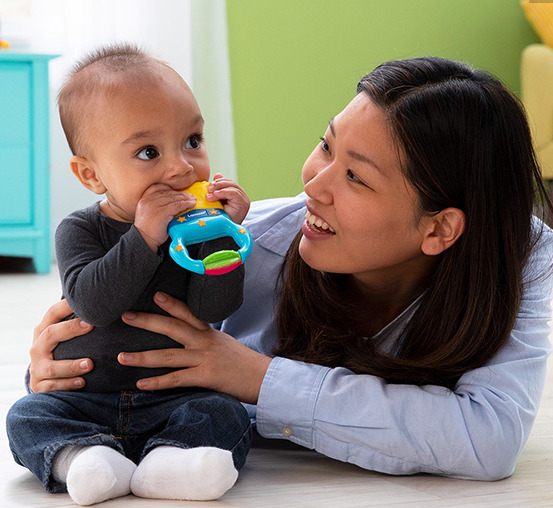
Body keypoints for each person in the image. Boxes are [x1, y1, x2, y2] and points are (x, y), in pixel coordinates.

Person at [21, 57, 553, 483]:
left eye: (356, 178)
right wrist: (57, 370)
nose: (313, 187)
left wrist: (258, 379)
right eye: (325, 146)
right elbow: (123, 336)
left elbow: (489, 440)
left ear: (440, 229)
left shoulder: (522, 259)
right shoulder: (248, 241)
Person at [6, 44, 253, 505]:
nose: (181, 166)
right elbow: (93, 304)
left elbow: (214, 308)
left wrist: (224, 237)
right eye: (148, 152)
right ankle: (84, 461)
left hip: (176, 399)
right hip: (85, 399)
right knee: (27, 415)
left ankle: (172, 463)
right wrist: (142, 236)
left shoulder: (202, 227)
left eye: (192, 141)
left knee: (226, 412)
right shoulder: (80, 228)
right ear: (90, 175)